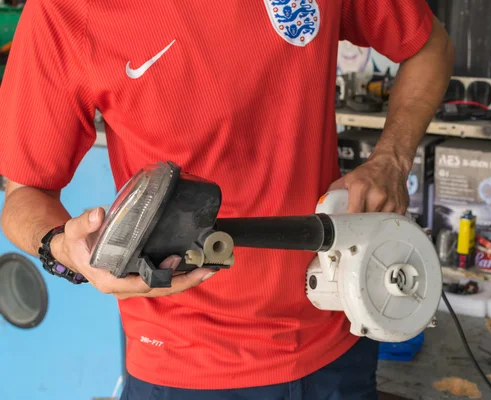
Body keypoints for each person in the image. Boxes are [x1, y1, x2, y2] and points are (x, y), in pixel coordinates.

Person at [0, 0, 454, 398]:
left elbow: (428, 45)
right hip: (184, 364)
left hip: (336, 329)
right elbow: (24, 194)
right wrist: (63, 249)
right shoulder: (65, 10)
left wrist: (392, 159)